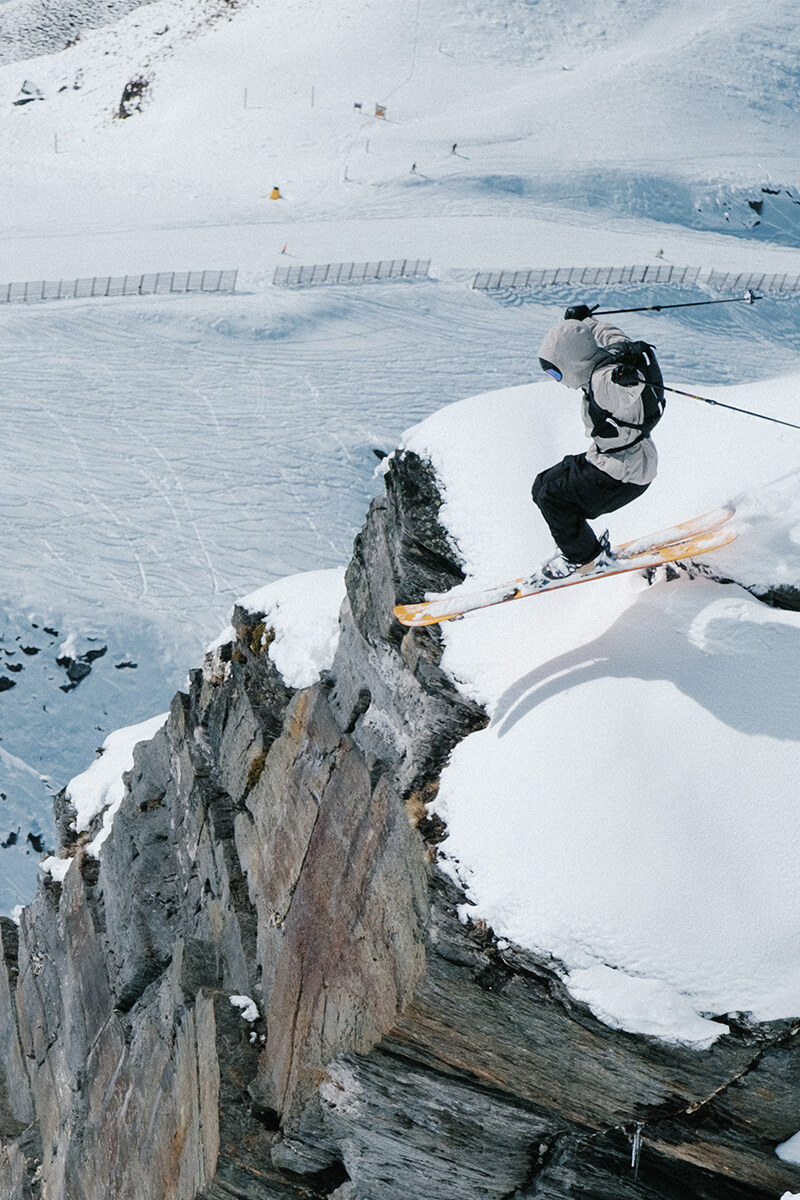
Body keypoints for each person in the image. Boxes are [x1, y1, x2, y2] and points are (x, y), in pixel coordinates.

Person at [532, 304, 662, 579]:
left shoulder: (605, 380)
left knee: (552, 497)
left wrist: (626, 378)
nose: (557, 380)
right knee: (542, 483)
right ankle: (582, 547)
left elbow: (624, 387)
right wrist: (585, 321)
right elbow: (612, 335)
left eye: (556, 373)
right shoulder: (609, 354)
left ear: (572, 364)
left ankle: (587, 559)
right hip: (614, 457)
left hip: (622, 474)